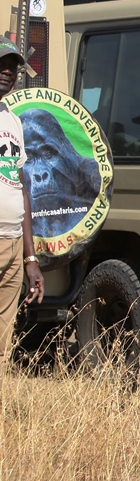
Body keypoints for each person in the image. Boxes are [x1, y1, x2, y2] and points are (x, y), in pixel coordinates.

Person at [0, 40, 43, 365]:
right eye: (1, 65)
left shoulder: (12, 121)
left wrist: (29, 257)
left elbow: (21, 187)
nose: (7, 71)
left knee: (3, 343)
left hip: (13, 243)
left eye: (13, 67)